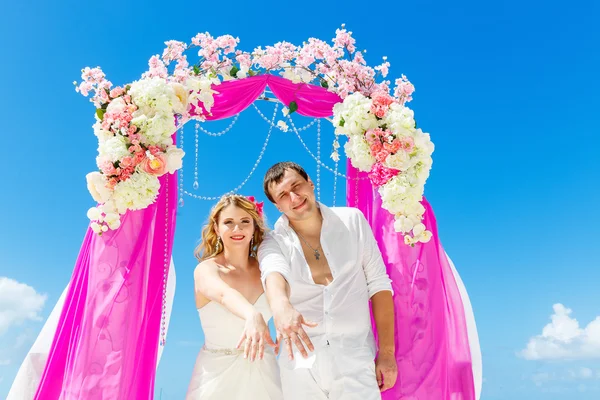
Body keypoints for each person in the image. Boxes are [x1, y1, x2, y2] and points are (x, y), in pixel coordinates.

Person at [258, 162, 398, 400]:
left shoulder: (352, 221)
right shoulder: (273, 242)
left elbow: (378, 284)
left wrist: (387, 353)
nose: (294, 197)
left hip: (356, 360)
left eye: (297, 186)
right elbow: (273, 273)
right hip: (300, 366)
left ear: (310, 183)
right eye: (283, 195)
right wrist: (281, 307)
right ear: (277, 205)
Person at [186, 194, 283, 399]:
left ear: (254, 227)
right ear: (216, 228)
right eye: (228, 222)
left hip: (264, 375)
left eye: (244, 221)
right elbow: (224, 294)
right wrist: (252, 314)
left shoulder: (267, 269)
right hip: (215, 378)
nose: (237, 229)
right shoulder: (206, 270)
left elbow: (286, 294)